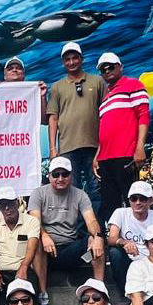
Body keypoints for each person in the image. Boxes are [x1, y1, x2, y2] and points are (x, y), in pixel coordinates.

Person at [28, 157, 105, 305]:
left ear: (71, 175)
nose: (60, 178)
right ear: (49, 176)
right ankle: (43, 295)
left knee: (96, 239)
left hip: (71, 249)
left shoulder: (80, 194)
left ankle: (100, 291)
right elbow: (34, 221)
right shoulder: (38, 193)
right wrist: (44, 235)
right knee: (36, 241)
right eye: (56, 174)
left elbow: (91, 220)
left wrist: (97, 236)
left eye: (65, 174)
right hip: (47, 252)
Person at [47, 42, 105, 214]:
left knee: (96, 188)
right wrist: (53, 148)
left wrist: (104, 144)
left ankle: (97, 227)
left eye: (74, 58)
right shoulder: (57, 87)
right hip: (67, 148)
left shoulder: (97, 81)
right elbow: (53, 117)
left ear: (81, 59)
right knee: (71, 190)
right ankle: (76, 228)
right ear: (63, 62)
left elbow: (105, 114)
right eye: (67, 59)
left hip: (94, 146)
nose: (71, 62)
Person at [92, 52, 150, 225]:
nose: (107, 71)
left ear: (120, 67)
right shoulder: (105, 97)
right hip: (105, 160)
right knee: (110, 206)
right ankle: (114, 239)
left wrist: (140, 147)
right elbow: (104, 130)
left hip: (126, 156)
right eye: (103, 69)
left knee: (133, 202)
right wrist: (97, 155)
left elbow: (143, 116)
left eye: (111, 66)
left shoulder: (133, 84)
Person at [107, 181, 153, 299]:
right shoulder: (120, 213)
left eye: (142, 199)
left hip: (152, 261)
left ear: (150, 200)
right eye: (134, 199)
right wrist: (124, 242)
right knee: (114, 252)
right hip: (128, 259)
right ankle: (124, 294)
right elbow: (111, 238)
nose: (138, 202)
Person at [1, 56, 48, 125]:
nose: (14, 70)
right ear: (5, 75)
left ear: (23, 74)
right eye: (10, 69)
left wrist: (42, 97)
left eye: (18, 68)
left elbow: (44, 120)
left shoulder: (33, 93)